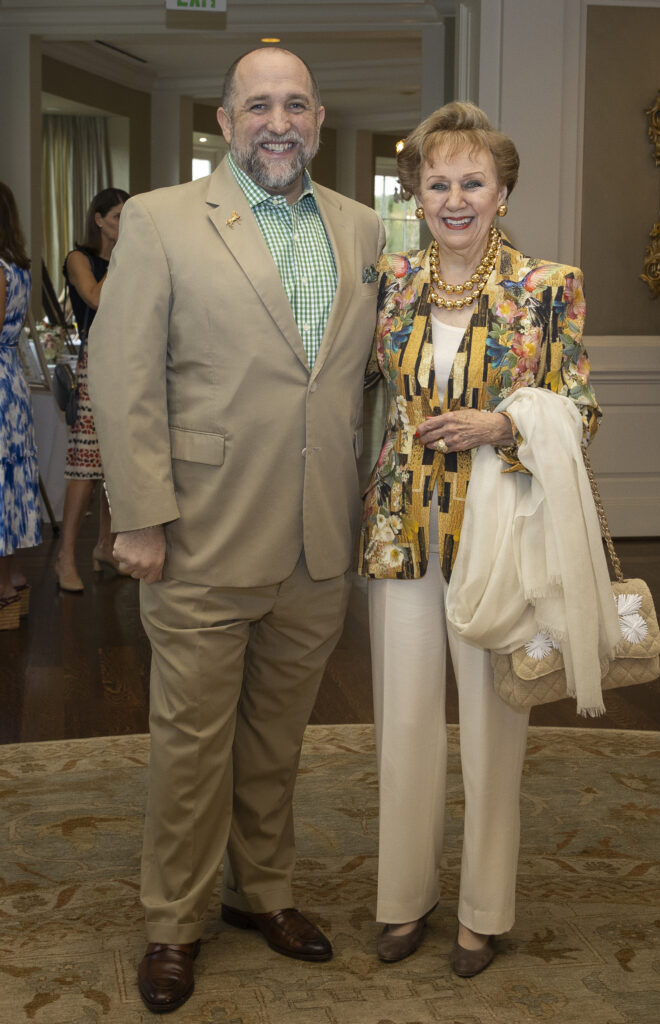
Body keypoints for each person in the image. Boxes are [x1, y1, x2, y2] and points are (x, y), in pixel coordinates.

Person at [89, 47, 385, 1014]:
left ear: (319, 115)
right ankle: (173, 922)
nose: (277, 120)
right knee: (190, 743)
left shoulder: (364, 228)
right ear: (224, 120)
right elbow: (122, 371)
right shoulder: (164, 220)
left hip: (317, 538)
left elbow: (368, 383)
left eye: (294, 102)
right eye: (257, 104)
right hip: (202, 535)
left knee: (277, 738)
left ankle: (264, 894)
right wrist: (138, 517)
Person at [359, 101, 601, 976]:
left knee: (497, 726)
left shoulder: (547, 285)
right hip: (400, 531)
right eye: (437, 184)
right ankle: (403, 900)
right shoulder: (388, 280)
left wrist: (504, 425)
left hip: (501, 529)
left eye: (472, 183)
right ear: (415, 194)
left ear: (501, 192)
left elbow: (581, 407)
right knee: (405, 723)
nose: (454, 199)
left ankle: (483, 912)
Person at [54, 187, 129, 592]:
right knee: (85, 467)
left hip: (128, 366)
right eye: (117, 217)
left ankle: (106, 544)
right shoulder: (79, 259)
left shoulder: (130, 257)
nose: (123, 225)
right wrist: (123, 258)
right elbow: (96, 298)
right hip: (95, 363)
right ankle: (65, 555)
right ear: (98, 219)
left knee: (116, 467)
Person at [0, 182, 41, 629]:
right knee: (8, 478)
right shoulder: (17, 267)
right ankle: (13, 579)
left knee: (1, 482)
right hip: (9, 377)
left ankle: (3, 589)